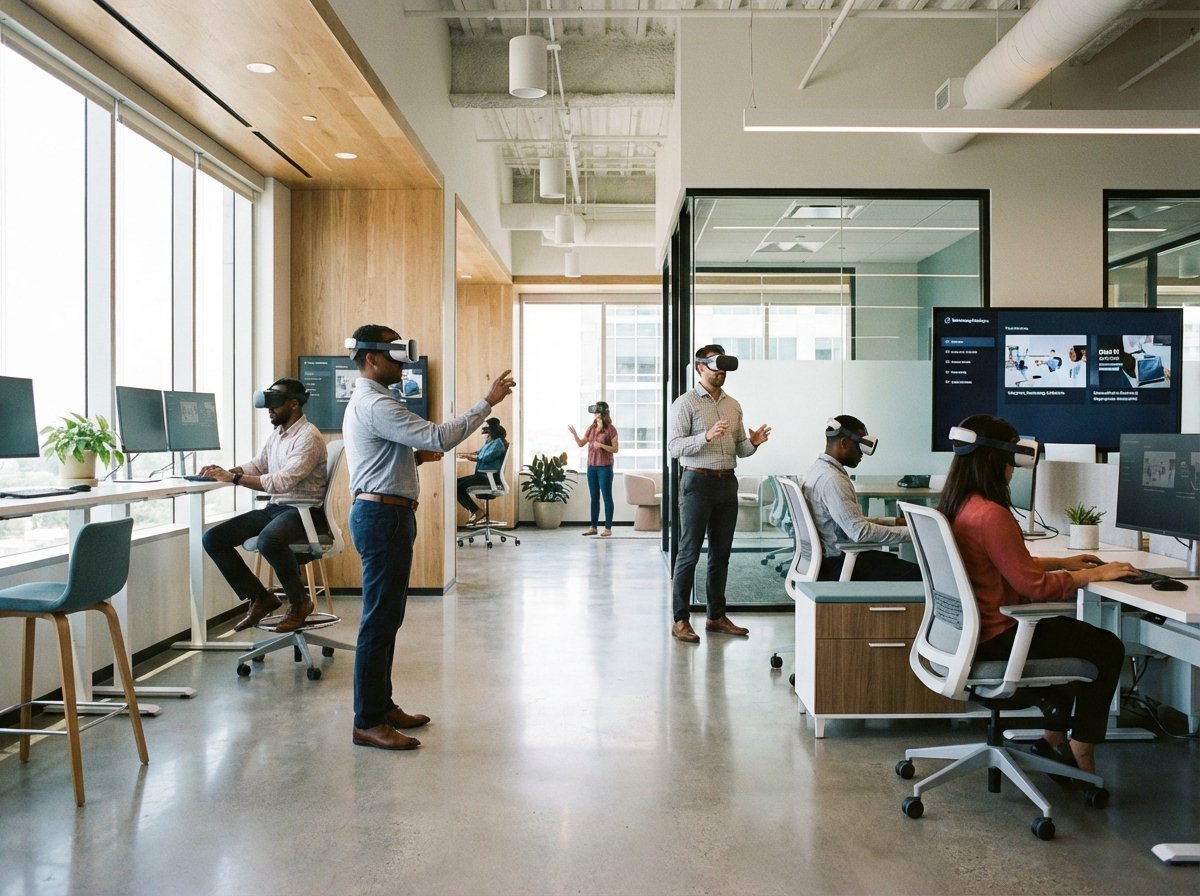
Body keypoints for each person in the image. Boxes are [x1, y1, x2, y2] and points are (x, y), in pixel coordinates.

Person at [343, 324, 515, 751]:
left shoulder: (376, 401)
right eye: (394, 358)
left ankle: (380, 707)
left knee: (387, 618)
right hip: (382, 516)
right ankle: (367, 720)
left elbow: (393, 454)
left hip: (388, 513)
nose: (402, 367)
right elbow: (440, 435)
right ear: (371, 359)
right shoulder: (375, 403)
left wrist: (410, 457)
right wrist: (486, 403)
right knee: (379, 621)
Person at [938, 413, 1134, 775]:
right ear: (996, 460)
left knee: (1072, 638)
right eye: (1012, 460)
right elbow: (1033, 587)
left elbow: (1002, 562)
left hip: (971, 634)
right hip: (1000, 636)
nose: (1014, 470)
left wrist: (1065, 563)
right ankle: (1081, 743)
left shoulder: (960, 506)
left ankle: (1051, 741)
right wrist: (1096, 574)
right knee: (1107, 647)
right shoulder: (992, 514)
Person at [200, 378, 328, 634]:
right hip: (278, 508)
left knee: (269, 540)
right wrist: (227, 471)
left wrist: (234, 479)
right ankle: (260, 597)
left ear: (294, 404)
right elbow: (259, 465)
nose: (269, 409)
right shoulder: (278, 435)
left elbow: (283, 481)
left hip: (304, 511)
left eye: (275, 403)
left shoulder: (308, 436)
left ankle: (299, 602)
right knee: (214, 539)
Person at [667, 344, 770, 643]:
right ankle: (681, 620)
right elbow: (674, 448)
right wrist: (706, 436)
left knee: (721, 555)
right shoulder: (685, 404)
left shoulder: (733, 405)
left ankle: (716, 617)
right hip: (697, 483)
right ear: (700, 367)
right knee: (688, 554)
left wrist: (754, 443)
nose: (721, 371)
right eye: (715, 366)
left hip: (727, 483)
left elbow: (740, 449)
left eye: (724, 367)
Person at [802, 415, 921, 582]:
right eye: (860, 446)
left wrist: (894, 521)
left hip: (831, 561)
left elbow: (850, 521)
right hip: (838, 565)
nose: (862, 454)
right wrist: (917, 533)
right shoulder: (833, 480)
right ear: (844, 443)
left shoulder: (819, 470)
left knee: (897, 563)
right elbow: (859, 531)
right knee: (922, 577)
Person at [568, 400, 619, 536]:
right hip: (591, 468)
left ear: (603, 413)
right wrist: (574, 435)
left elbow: (615, 449)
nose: (595, 414)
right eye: (595, 412)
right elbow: (580, 444)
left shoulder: (611, 430)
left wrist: (601, 445)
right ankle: (593, 527)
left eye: (597, 412)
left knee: (607, 497)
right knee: (594, 498)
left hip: (605, 468)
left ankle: (608, 528)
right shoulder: (591, 428)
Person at [455, 417, 508, 526]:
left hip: (489, 478)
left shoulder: (498, 444)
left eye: (486, 431)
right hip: (482, 476)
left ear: (491, 431)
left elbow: (485, 457)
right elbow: (477, 452)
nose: (483, 433)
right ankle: (476, 511)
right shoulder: (490, 443)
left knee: (457, 487)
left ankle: (477, 512)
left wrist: (472, 457)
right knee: (455, 484)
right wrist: (465, 454)